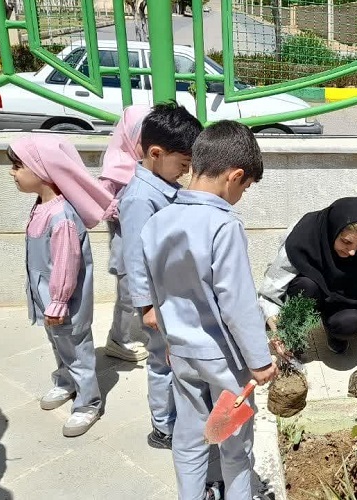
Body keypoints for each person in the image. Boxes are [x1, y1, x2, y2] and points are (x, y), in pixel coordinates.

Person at [141, 121, 278, 500]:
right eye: (245, 188)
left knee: (189, 437)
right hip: (223, 361)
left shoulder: (157, 221)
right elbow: (237, 303)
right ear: (235, 176)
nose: (241, 196)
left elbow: (156, 289)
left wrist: (170, 338)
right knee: (235, 443)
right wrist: (259, 360)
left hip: (181, 353)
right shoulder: (223, 226)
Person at [8, 135, 115, 437]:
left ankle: (88, 403)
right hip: (49, 301)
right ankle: (66, 382)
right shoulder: (42, 207)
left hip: (64, 304)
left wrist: (58, 301)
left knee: (77, 353)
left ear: (42, 170)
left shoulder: (62, 217)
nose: (12, 172)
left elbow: (66, 265)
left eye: (18, 166)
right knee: (60, 345)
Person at [259, 197, 357, 396]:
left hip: (344, 299)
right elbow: (269, 293)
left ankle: (334, 333)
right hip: (310, 292)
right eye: (346, 242)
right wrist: (280, 331)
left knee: (351, 322)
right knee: (305, 286)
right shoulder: (305, 233)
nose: (352, 252)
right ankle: (294, 341)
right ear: (332, 230)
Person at [117, 102, 203, 449]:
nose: (185, 171)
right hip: (158, 301)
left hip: (172, 294)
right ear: (155, 153)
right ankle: (164, 427)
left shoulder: (162, 186)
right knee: (161, 361)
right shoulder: (140, 198)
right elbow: (135, 257)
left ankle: (177, 417)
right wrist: (146, 306)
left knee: (174, 358)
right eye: (182, 164)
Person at [100, 105, 151, 363]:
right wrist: (121, 209)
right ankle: (118, 339)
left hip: (145, 242)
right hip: (125, 243)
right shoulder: (115, 167)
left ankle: (147, 330)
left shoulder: (146, 165)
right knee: (128, 294)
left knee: (144, 289)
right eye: (143, 140)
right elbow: (100, 202)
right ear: (130, 138)